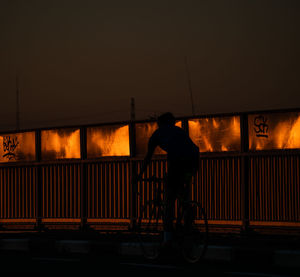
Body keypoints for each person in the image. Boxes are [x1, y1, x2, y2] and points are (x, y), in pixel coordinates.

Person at [138, 112, 199, 244]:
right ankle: (189, 227)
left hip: (177, 165)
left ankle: (168, 239)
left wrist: (139, 176)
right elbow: (192, 149)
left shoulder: (158, 134)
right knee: (184, 196)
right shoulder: (179, 131)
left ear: (159, 123)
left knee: (169, 202)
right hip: (192, 165)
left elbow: (148, 157)